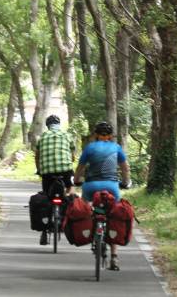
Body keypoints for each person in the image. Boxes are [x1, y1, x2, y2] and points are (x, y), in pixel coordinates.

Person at [74, 121, 131, 270]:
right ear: (111, 136)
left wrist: (76, 180)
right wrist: (126, 182)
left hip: (91, 186)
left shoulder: (90, 148)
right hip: (111, 187)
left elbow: (80, 168)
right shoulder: (116, 148)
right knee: (114, 215)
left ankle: (89, 231)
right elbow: (125, 168)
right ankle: (114, 257)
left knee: (85, 209)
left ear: (95, 135)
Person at [34, 114, 75, 245]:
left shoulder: (42, 137)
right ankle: (68, 203)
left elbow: (37, 156)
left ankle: (44, 231)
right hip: (65, 170)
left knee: (46, 196)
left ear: (48, 126)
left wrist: (39, 170)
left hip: (47, 172)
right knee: (70, 188)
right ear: (59, 124)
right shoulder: (67, 136)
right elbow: (73, 156)